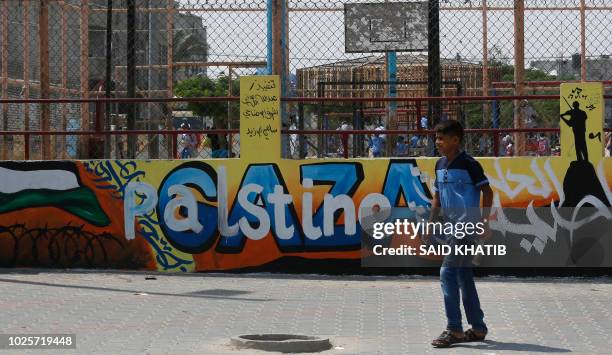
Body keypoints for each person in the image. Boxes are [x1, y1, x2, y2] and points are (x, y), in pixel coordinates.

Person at [426, 120, 493, 348]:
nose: (438, 143)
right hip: (450, 226)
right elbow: (437, 194)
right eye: (436, 138)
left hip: (466, 226)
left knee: (447, 272)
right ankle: (477, 328)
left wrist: (484, 221)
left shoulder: (469, 164)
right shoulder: (439, 164)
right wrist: (431, 222)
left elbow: (487, 191)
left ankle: (454, 329)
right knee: (463, 276)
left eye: (442, 139)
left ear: (456, 140)